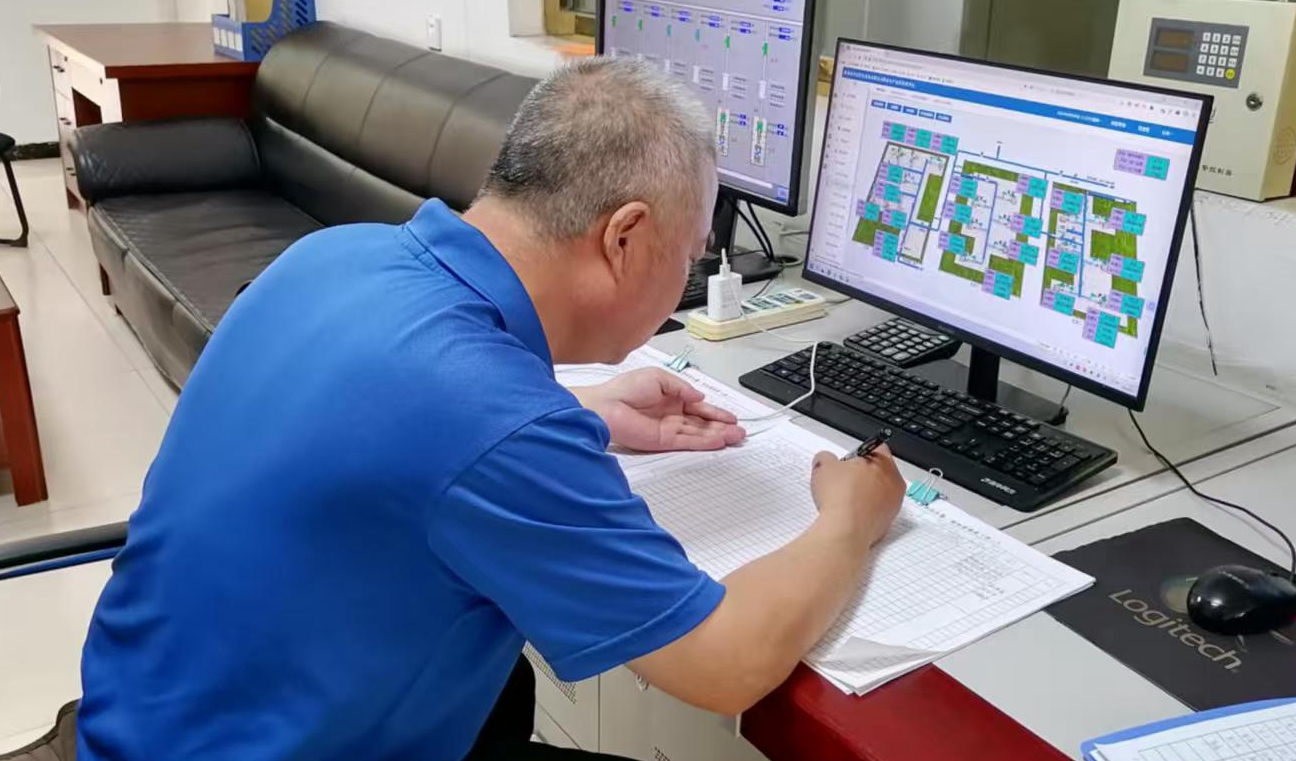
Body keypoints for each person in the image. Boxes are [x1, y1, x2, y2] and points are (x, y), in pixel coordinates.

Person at [72, 57, 905, 761]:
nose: (685, 278)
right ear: (623, 237)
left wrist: (584, 407)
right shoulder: (495, 422)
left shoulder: (335, 254)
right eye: (688, 255)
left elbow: (386, 412)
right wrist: (851, 519)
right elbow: (724, 665)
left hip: (141, 719)